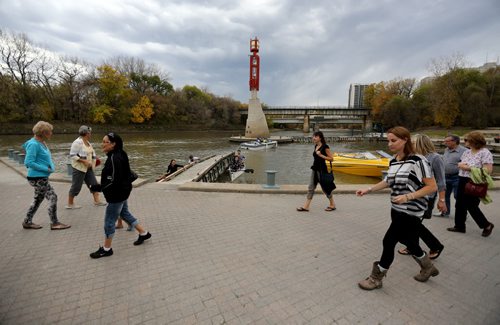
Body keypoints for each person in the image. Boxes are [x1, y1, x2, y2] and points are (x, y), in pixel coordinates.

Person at [356, 126, 438, 290]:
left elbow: (432, 187)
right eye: (388, 140)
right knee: (410, 242)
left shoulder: (418, 160)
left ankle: (376, 278)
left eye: (393, 140)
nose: (389, 144)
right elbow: (388, 181)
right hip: (396, 209)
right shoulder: (394, 160)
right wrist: (369, 190)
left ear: (405, 140)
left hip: (412, 211)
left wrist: (408, 196)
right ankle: (428, 267)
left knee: (388, 241)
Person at [89, 132, 151, 259]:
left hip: (116, 195)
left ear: (113, 144)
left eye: (105, 142)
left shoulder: (114, 158)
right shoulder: (121, 153)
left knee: (109, 221)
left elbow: (113, 180)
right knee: (124, 213)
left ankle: (107, 249)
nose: (102, 144)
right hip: (123, 191)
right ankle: (144, 233)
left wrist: (97, 187)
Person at [397, 134, 446, 259]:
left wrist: (442, 200)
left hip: (426, 197)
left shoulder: (435, 158)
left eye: (412, 143)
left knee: (414, 224)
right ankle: (412, 246)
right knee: (412, 223)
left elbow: (440, 181)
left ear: (420, 143)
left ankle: (435, 246)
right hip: (411, 195)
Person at [22, 121, 71, 230]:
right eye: (49, 132)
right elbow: (28, 162)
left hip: (41, 177)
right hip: (37, 177)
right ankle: (54, 223)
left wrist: (49, 168)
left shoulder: (42, 142)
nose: (51, 134)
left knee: (38, 199)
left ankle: (27, 222)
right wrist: (46, 169)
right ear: (43, 133)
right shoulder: (34, 144)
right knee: (52, 197)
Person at [447, 131, 494, 237]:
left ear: (474, 141)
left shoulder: (485, 152)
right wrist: (460, 165)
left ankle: (486, 225)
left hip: (475, 182)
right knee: (459, 204)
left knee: (471, 205)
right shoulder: (467, 152)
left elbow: (488, 170)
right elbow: (462, 163)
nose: (465, 142)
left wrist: (467, 168)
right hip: (462, 179)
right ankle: (459, 226)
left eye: (467, 140)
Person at [67, 125, 106, 209]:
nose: (90, 134)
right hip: (79, 168)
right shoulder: (77, 142)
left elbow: (91, 153)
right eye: (90, 133)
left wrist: (95, 160)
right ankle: (70, 203)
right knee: (76, 186)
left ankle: (97, 201)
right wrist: (84, 161)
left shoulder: (88, 142)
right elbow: (72, 155)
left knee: (94, 184)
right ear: (86, 133)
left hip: (89, 168)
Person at [297, 131, 336, 212]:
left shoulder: (325, 147)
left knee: (326, 189)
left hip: (322, 171)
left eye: (316, 136)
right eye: (313, 136)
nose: (314, 138)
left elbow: (331, 159)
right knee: (311, 187)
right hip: (315, 170)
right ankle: (306, 207)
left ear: (320, 138)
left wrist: (321, 155)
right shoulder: (316, 146)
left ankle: (332, 205)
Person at [434, 134, 466, 217]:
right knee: (444, 196)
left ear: (455, 141)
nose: (445, 143)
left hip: (457, 177)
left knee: (457, 196)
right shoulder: (446, 150)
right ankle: (445, 212)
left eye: (447, 141)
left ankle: (461, 215)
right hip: (445, 176)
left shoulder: (464, 151)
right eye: (445, 141)